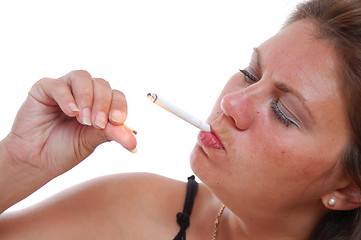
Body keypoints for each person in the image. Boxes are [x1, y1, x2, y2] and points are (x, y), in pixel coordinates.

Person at [1, 0, 361, 239]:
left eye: (283, 113)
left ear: (348, 189)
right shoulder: (135, 211)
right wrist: (21, 161)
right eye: (250, 74)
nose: (232, 102)